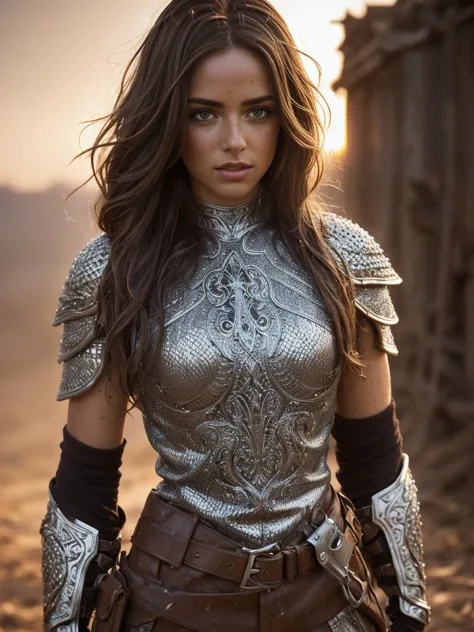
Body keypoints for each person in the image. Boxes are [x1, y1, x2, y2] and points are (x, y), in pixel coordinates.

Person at [39, 1, 431, 631]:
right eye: (203, 114)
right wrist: (63, 624)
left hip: (326, 594)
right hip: (178, 598)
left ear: (287, 116)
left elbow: (375, 456)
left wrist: (410, 609)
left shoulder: (344, 256)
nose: (234, 140)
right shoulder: (116, 270)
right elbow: (85, 481)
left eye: (258, 111)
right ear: (169, 121)